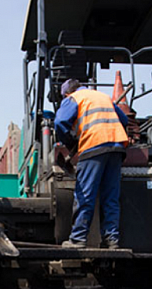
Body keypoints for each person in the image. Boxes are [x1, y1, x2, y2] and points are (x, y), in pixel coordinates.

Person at [54, 78, 129, 249]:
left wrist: (71, 142)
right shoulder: (102, 96)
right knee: (110, 197)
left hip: (94, 145)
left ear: (67, 93)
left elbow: (60, 122)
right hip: (117, 147)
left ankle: (78, 239)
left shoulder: (73, 98)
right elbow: (124, 120)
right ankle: (111, 240)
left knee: (84, 194)